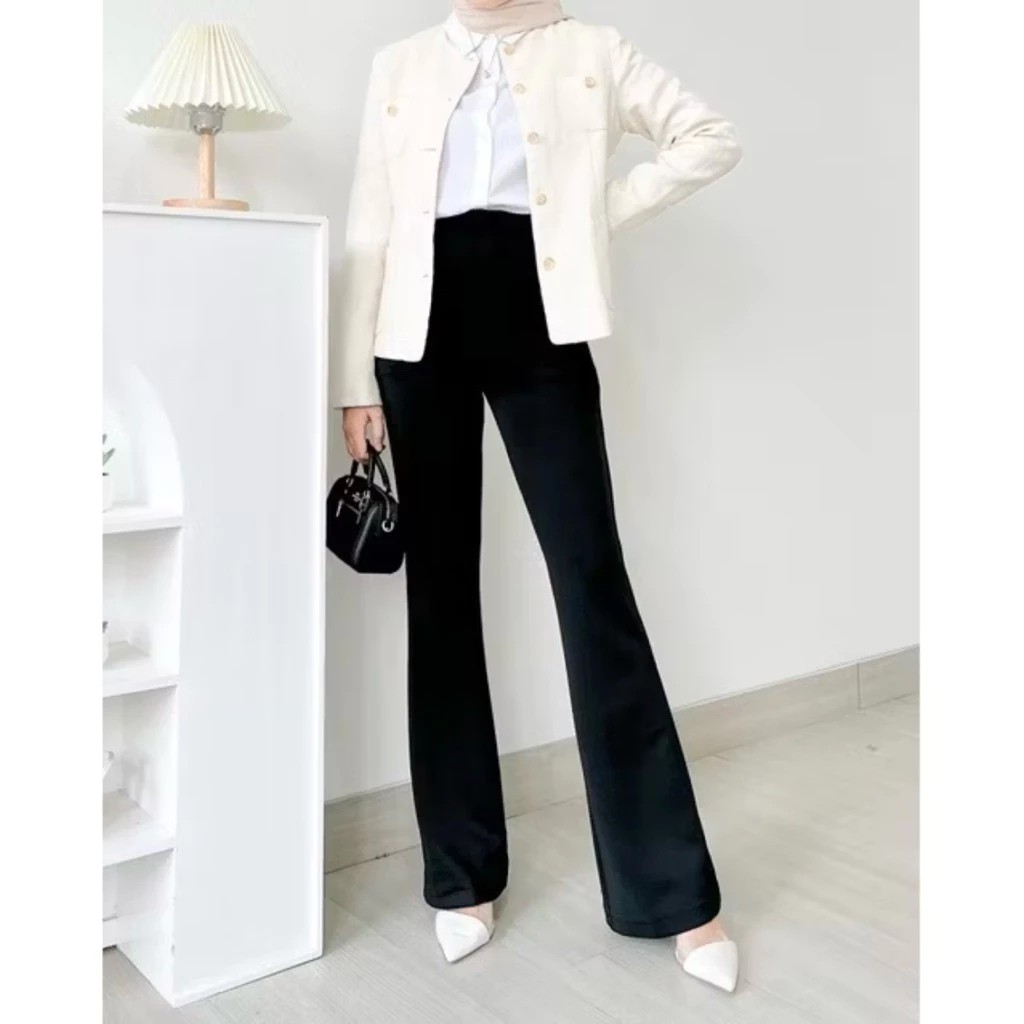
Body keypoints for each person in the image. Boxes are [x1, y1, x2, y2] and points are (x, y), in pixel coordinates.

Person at [334, 0, 743, 993]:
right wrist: (354, 382)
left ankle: (675, 894)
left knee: (591, 582)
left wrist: (587, 216)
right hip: (414, 336)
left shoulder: (591, 48)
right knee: (440, 596)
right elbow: (369, 224)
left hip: (538, 319)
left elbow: (708, 135)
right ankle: (462, 876)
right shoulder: (401, 63)